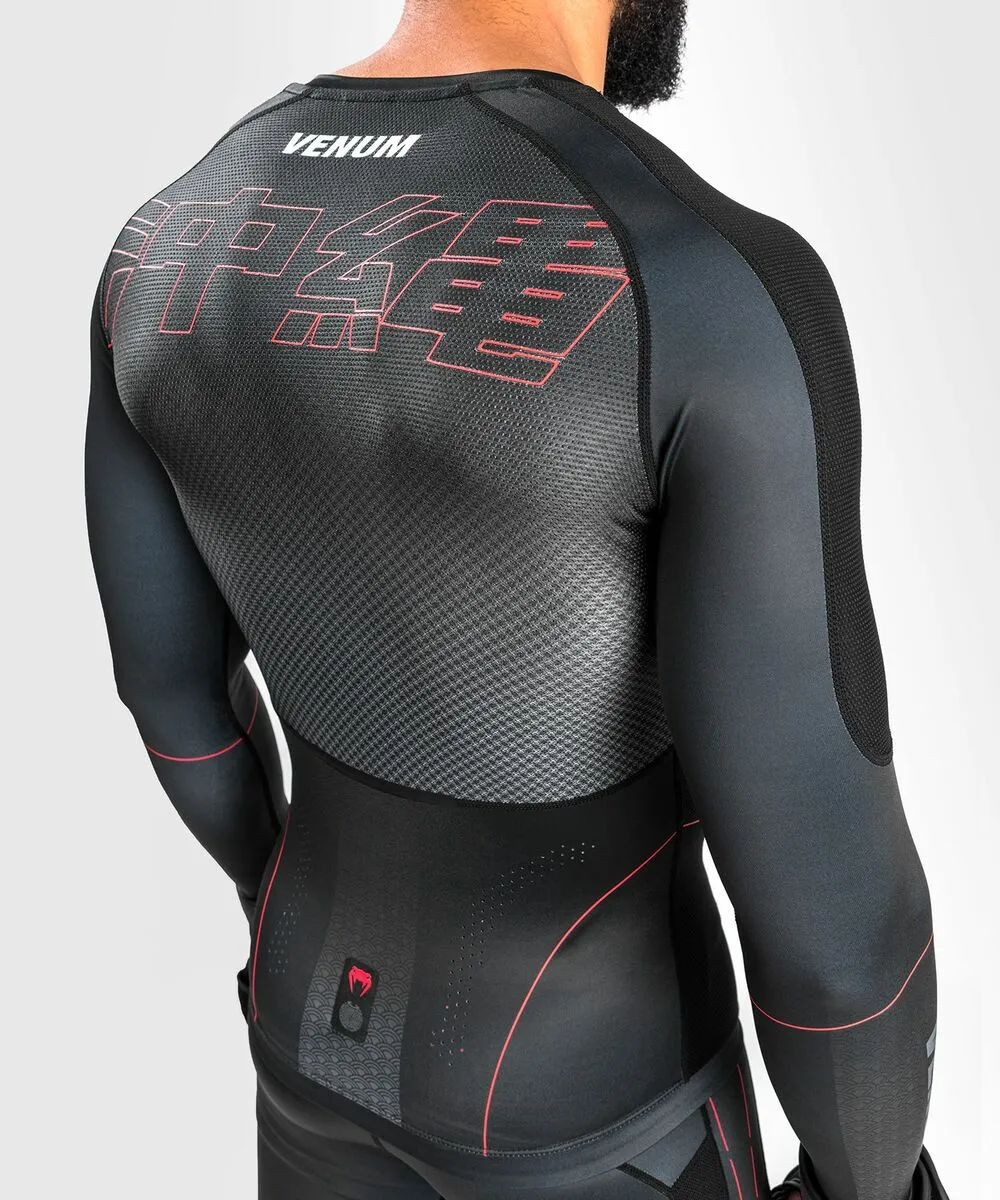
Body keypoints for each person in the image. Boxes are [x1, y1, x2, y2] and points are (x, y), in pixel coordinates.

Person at [85, 1, 950, 1197]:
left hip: (304, 1043)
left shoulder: (167, 237)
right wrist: (877, 1180)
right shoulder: (699, 278)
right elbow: (838, 944)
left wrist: (274, 901)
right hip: (600, 1107)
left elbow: (174, 703)